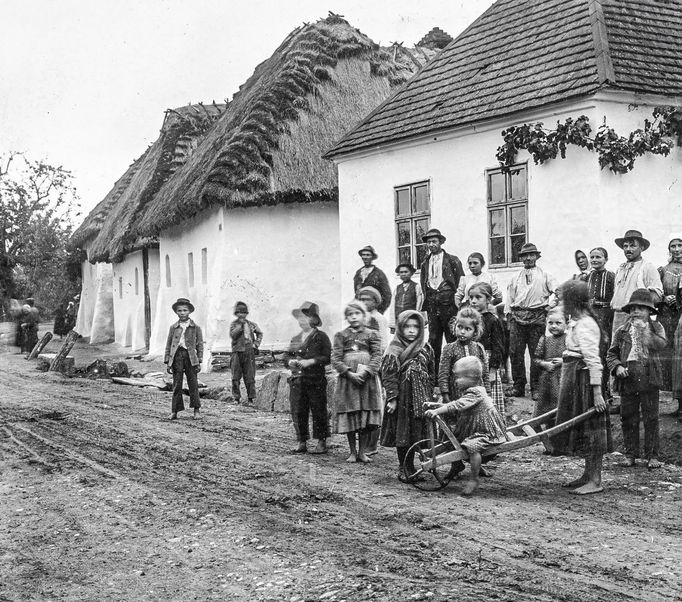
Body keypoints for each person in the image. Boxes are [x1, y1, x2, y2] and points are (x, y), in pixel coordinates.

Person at [550, 280, 611, 495]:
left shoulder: (586, 324)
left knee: (592, 430)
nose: (560, 303)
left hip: (585, 383)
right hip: (574, 380)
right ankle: (587, 475)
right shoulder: (576, 321)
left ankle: (595, 480)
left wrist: (596, 393)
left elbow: (594, 361)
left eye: (563, 300)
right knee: (583, 431)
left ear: (573, 302)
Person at [424, 356, 506, 495]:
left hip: (485, 431)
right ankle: (466, 467)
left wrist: (437, 410)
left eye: (458, 377)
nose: (455, 381)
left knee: (472, 447)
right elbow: (458, 404)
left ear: (471, 377)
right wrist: (438, 405)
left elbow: (457, 404)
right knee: (457, 441)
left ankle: (473, 479)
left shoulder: (475, 392)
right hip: (474, 427)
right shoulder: (472, 390)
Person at [606, 289, 666, 469]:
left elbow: (661, 345)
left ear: (650, 312)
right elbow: (611, 354)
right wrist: (617, 367)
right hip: (628, 379)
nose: (636, 312)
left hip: (649, 378)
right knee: (628, 417)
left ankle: (652, 456)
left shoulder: (656, 328)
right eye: (633, 309)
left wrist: (645, 332)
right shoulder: (622, 331)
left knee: (651, 418)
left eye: (641, 308)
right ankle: (630, 454)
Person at [380, 310, 435, 482]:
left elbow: (431, 372)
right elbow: (388, 376)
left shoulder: (426, 348)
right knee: (403, 434)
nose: (412, 330)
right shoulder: (394, 350)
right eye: (407, 327)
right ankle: (404, 467)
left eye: (416, 327)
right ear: (400, 328)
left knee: (416, 433)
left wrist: (432, 393)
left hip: (421, 399)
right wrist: (392, 399)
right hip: (403, 400)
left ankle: (413, 466)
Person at [331, 300, 383, 463]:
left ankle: (363, 452)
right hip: (348, 381)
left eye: (357, 313)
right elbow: (336, 358)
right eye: (350, 314)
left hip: (367, 381)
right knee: (351, 413)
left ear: (364, 315)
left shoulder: (372, 334)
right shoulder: (341, 335)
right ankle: (352, 452)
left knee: (365, 414)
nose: (353, 317)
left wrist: (367, 371)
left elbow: (377, 356)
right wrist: (348, 373)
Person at [505, 242, 557, 399]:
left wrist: (550, 306)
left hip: (537, 318)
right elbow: (509, 299)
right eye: (525, 255)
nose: (528, 258)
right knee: (515, 353)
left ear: (536, 257)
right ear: (521, 258)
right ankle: (518, 386)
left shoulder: (546, 275)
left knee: (537, 352)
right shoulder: (515, 277)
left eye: (531, 255)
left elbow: (558, 292)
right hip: (517, 318)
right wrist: (508, 317)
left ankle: (536, 387)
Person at [285, 302, 331, 455]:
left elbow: (327, 357)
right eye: (300, 318)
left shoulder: (321, 337)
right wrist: (290, 362)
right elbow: (287, 356)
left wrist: (310, 361)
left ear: (314, 319)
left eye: (306, 317)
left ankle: (321, 442)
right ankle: (301, 441)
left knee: (318, 410)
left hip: (315, 379)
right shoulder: (296, 338)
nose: (302, 320)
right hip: (298, 381)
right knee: (298, 411)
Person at [419, 228, 465, 370]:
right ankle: (436, 374)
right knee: (433, 339)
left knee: (452, 337)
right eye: (429, 242)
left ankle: (454, 371)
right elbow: (423, 285)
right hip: (433, 305)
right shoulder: (425, 263)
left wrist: (458, 304)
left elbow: (461, 282)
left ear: (440, 242)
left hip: (449, 304)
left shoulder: (452, 260)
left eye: (434, 241)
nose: (431, 244)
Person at [610, 229, 663, 338]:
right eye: (625, 246)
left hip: (635, 316)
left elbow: (657, 295)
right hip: (618, 316)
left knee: (634, 347)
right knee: (617, 348)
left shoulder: (647, 267)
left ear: (641, 248)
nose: (628, 249)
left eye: (632, 246)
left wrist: (639, 309)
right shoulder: (620, 268)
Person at [468, 282, 506, 420]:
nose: (473, 301)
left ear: (488, 299)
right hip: (470, 363)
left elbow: (498, 347)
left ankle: (492, 424)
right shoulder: (469, 319)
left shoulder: (492, 320)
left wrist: (493, 370)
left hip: (487, 363)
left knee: (489, 397)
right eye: (471, 297)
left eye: (478, 297)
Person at [438, 307, 489, 402]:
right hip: (456, 392)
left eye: (468, 329)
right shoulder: (449, 348)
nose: (462, 331)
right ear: (455, 326)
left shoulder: (478, 348)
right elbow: (443, 373)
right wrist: (445, 394)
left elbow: (485, 372)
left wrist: (487, 392)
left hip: (476, 393)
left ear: (475, 332)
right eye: (460, 327)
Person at [164, 298, 204, 420]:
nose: (182, 313)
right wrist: (168, 361)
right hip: (177, 357)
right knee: (177, 384)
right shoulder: (173, 327)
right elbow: (169, 344)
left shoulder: (195, 327)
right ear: (176, 312)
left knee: (193, 384)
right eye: (179, 310)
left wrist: (199, 360)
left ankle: (196, 410)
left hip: (191, 357)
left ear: (189, 311)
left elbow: (200, 344)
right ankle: (174, 411)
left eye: (185, 310)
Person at [586, 247, 616, 404]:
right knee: (592, 354)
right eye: (592, 257)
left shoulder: (611, 276)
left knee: (604, 355)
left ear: (606, 259)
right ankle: (592, 393)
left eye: (598, 257)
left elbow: (615, 299)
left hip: (605, 320)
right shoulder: (586, 277)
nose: (594, 260)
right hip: (590, 320)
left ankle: (606, 393)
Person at [657, 233, 682, 416]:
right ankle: (678, 403)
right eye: (673, 246)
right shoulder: (663, 270)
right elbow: (656, 293)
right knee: (670, 356)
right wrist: (665, 298)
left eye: (680, 245)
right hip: (667, 316)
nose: (676, 249)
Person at [533, 308, 567, 435]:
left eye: (558, 323)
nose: (554, 326)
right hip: (547, 378)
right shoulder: (545, 340)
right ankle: (542, 432)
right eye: (550, 323)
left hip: (562, 377)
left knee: (558, 404)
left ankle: (558, 432)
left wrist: (564, 361)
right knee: (544, 406)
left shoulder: (568, 339)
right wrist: (544, 364)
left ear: (566, 324)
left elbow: (575, 356)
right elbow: (536, 359)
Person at [229, 301, 263, 404]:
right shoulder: (234, 324)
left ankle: (251, 398)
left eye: (243, 312)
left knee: (250, 376)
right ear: (236, 314)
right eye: (239, 312)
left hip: (249, 351)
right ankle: (236, 398)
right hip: (237, 352)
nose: (241, 314)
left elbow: (260, 334)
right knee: (235, 376)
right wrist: (241, 326)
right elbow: (233, 335)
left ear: (246, 313)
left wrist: (256, 344)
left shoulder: (252, 324)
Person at [353, 245, 392, 314]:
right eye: (363, 255)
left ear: (372, 257)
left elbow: (387, 295)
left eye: (368, 255)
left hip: (374, 310)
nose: (365, 257)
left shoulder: (379, 273)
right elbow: (356, 293)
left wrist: (379, 311)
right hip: (361, 311)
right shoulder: (358, 273)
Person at [387, 263, 424, 333]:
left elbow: (419, 304)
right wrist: (392, 325)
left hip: (411, 320)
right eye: (401, 272)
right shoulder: (397, 288)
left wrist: (417, 320)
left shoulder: (416, 287)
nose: (403, 274)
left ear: (412, 273)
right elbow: (392, 307)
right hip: (399, 321)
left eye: (406, 272)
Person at [356, 286, 389, 351]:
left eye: (367, 299)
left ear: (375, 302)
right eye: (361, 300)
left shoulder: (379, 318)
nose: (364, 302)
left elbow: (383, 342)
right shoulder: (359, 317)